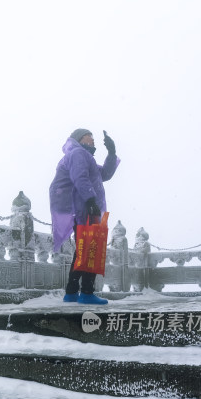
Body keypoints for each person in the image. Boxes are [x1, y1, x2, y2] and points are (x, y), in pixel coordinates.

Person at [49, 128, 120, 305]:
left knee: (84, 248)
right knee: (91, 247)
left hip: (84, 208)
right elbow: (79, 177)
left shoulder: (83, 156)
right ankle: (86, 292)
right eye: (90, 136)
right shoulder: (78, 153)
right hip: (85, 209)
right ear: (79, 139)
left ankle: (72, 292)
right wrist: (90, 200)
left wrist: (111, 153)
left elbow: (104, 174)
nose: (93, 140)